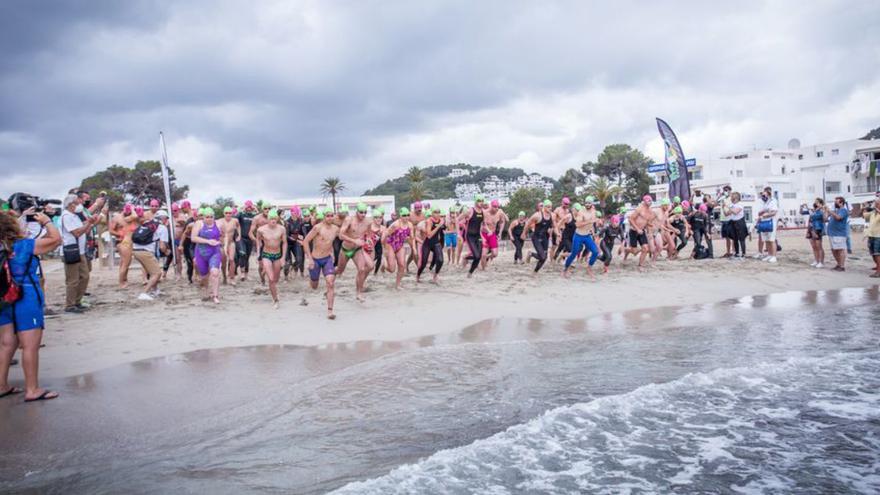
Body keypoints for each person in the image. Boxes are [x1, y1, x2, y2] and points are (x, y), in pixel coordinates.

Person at [0, 211, 61, 401]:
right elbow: (56, 239)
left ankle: (1, 385)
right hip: (25, 297)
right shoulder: (25, 246)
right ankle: (32, 389)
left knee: (6, 344)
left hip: (3, 300)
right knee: (30, 346)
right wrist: (47, 221)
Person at [60, 194, 100, 313]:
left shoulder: (74, 216)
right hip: (71, 250)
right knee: (73, 279)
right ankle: (70, 304)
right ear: (71, 204)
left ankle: (77, 301)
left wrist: (91, 223)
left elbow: (84, 231)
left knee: (84, 276)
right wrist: (88, 223)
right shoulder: (66, 216)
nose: (80, 205)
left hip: (80, 251)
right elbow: (77, 233)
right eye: (77, 203)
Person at [303, 208, 340, 319]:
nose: (330, 217)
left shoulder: (336, 229)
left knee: (330, 283)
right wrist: (310, 259)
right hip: (316, 260)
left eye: (331, 215)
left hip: (327, 259)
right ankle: (312, 278)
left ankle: (330, 311)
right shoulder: (317, 228)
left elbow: (343, 237)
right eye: (327, 215)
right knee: (314, 286)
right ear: (324, 216)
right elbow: (305, 241)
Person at [336, 202, 374, 302]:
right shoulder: (349, 220)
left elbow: (369, 233)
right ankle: (330, 278)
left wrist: (368, 239)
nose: (363, 214)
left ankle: (359, 292)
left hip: (357, 249)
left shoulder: (368, 222)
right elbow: (340, 235)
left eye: (365, 212)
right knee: (339, 271)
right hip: (346, 249)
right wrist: (354, 240)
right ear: (356, 212)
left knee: (362, 269)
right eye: (361, 212)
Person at [131, 207, 168, 300]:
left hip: (135, 250)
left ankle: (155, 290)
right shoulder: (162, 228)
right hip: (145, 252)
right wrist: (167, 252)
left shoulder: (146, 223)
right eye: (166, 218)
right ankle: (144, 293)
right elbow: (162, 247)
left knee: (152, 272)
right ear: (163, 219)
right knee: (157, 273)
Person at [256, 209, 287, 308]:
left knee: (276, 279)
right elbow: (258, 241)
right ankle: (275, 300)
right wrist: (258, 253)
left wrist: (283, 257)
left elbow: (285, 243)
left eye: (275, 219)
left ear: (277, 219)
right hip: (266, 255)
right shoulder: (261, 229)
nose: (273, 221)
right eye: (271, 219)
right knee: (271, 278)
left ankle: (273, 289)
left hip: (277, 255)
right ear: (268, 220)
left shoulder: (282, 229)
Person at [191, 208, 222, 303]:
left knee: (215, 272)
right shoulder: (199, 224)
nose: (209, 219)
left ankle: (215, 296)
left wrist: (222, 242)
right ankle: (205, 289)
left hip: (214, 252)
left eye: (211, 217)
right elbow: (193, 238)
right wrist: (208, 241)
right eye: (207, 217)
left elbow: (225, 235)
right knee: (204, 276)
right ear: (203, 217)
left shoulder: (219, 224)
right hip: (201, 252)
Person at [563, 202, 599, 279]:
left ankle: (589, 268)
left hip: (587, 236)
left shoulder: (593, 212)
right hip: (578, 236)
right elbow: (577, 225)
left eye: (589, 203)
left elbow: (592, 224)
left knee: (595, 252)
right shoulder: (581, 212)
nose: (588, 205)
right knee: (573, 254)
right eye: (586, 203)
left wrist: (593, 233)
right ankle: (565, 269)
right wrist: (590, 221)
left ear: (592, 204)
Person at [384, 207, 416, 289]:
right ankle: (384, 264)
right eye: (404, 215)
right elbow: (385, 234)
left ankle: (397, 285)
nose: (406, 217)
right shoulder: (395, 225)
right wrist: (384, 247)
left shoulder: (410, 225)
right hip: (390, 245)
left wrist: (414, 249)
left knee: (402, 265)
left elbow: (412, 238)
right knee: (391, 269)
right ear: (400, 216)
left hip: (400, 246)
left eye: (408, 215)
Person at [109, 203, 138, 288]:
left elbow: (135, 216)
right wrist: (120, 234)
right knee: (125, 263)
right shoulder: (117, 218)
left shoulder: (131, 218)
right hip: (123, 242)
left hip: (129, 242)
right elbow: (110, 230)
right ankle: (121, 282)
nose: (128, 213)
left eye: (130, 212)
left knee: (125, 262)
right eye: (127, 211)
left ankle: (124, 279)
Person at [523, 199, 555, 274]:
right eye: (547, 207)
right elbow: (528, 224)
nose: (549, 208)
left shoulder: (552, 216)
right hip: (536, 237)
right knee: (543, 256)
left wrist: (557, 233)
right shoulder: (537, 215)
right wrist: (524, 233)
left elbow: (554, 226)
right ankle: (535, 271)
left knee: (544, 257)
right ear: (544, 207)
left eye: (550, 207)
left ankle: (535, 271)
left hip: (545, 238)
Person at [458, 196, 487, 277]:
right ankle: (467, 263)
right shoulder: (470, 211)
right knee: (477, 256)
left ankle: (470, 272)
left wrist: (489, 231)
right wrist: (458, 234)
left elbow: (484, 224)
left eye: (482, 200)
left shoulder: (483, 212)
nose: (481, 202)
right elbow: (457, 220)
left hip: (478, 236)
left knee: (479, 256)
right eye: (479, 200)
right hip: (470, 236)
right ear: (475, 201)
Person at [417, 207, 445, 283]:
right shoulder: (429, 221)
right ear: (432, 213)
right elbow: (429, 235)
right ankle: (418, 276)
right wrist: (439, 225)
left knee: (441, 260)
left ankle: (435, 276)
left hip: (436, 243)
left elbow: (442, 233)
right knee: (424, 263)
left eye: (439, 212)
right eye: (435, 212)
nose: (437, 214)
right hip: (427, 244)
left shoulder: (441, 220)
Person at [626, 195, 654, 270]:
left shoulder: (650, 212)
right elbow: (631, 219)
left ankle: (640, 265)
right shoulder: (639, 209)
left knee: (645, 248)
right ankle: (626, 250)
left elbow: (648, 223)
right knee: (634, 252)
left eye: (651, 201)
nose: (650, 202)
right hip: (633, 231)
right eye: (648, 200)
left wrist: (650, 232)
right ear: (644, 201)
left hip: (642, 232)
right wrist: (637, 228)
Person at [217, 206, 241, 286]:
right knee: (223, 263)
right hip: (222, 244)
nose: (228, 214)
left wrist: (239, 235)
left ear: (232, 213)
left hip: (231, 243)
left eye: (230, 213)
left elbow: (238, 226)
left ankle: (232, 277)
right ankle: (224, 277)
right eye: (226, 213)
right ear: (223, 213)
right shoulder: (219, 221)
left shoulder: (235, 221)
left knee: (231, 259)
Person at [481, 200, 508, 269]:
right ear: (491, 206)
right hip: (484, 233)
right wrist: (488, 230)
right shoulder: (485, 212)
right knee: (484, 253)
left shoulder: (499, 212)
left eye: (497, 207)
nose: (496, 208)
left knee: (495, 254)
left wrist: (500, 233)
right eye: (495, 207)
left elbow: (503, 222)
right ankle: (483, 269)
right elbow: (483, 224)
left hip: (492, 234)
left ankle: (485, 258)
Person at [249, 204, 271, 284]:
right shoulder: (257, 218)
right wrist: (257, 241)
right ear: (262, 209)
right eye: (265, 208)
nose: (267, 210)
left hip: (271, 243)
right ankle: (262, 280)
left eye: (269, 208)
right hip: (261, 243)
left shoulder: (273, 217)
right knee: (261, 265)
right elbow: (250, 233)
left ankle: (271, 279)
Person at [755, 187, 778, 263]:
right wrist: (763, 212)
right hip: (764, 222)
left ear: (768, 194)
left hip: (771, 222)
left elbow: (774, 212)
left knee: (772, 240)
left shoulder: (773, 201)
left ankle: (774, 256)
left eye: (764, 195)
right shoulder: (764, 202)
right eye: (762, 195)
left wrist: (765, 215)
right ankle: (769, 254)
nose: (763, 196)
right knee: (766, 240)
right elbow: (760, 212)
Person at [826, 196, 849, 272]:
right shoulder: (837, 210)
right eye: (835, 201)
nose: (835, 203)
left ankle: (842, 266)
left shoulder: (843, 210)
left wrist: (831, 212)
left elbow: (838, 218)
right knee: (834, 250)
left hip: (839, 233)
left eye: (836, 202)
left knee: (840, 250)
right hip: (832, 233)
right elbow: (825, 219)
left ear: (841, 203)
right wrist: (827, 212)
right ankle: (838, 264)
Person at [237, 200, 257, 281]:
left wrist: (256, 209)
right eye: (247, 207)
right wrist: (241, 209)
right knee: (242, 254)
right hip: (242, 238)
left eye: (250, 207)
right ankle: (242, 273)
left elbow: (260, 217)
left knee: (247, 257)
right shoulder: (241, 214)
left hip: (250, 239)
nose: (249, 208)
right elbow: (234, 218)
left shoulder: (254, 216)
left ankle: (246, 274)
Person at [723, 192, 747, 259]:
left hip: (740, 222)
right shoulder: (731, 205)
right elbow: (727, 214)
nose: (731, 198)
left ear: (736, 198)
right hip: (733, 222)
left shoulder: (740, 205)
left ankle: (743, 253)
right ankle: (737, 253)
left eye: (732, 197)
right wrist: (723, 208)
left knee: (741, 239)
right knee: (735, 238)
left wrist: (728, 207)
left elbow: (736, 212)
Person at [284, 206, 305, 281]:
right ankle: (286, 277)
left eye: (297, 213)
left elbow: (304, 234)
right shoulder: (287, 222)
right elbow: (286, 235)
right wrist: (296, 238)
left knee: (299, 259)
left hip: (296, 243)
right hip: (287, 243)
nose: (295, 214)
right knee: (288, 261)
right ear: (291, 213)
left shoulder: (301, 221)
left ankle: (293, 268)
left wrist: (302, 239)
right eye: (294, 212)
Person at [806, 198, 827, 268]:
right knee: (813, 246)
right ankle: (816, 260)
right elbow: (810, 220)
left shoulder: (822, 210)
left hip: (818, 228)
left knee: (819, 246)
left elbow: (825, 219)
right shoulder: (813, 210)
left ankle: (821, 261)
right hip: (811, 228)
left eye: (817, 202)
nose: (815, 203)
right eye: (815, 202)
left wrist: (823, 210)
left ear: (821, 204)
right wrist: (808, 230)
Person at [863, 195, 880, 278]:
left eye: (877, 204)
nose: (876, 205)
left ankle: (878, 271)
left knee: (877, 253)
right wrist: (864, 207)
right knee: (873, 253)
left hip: (878, 236)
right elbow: (863, 215)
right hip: (871, 235)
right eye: (875, 204)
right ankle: (878, 266)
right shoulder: (873, 213)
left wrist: (877, 209)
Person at [716, 186, 734, 258]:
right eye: (724, 190)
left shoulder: (732, 198)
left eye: (726, 190)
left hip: (730, 219)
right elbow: (716, 202)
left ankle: (734, 251)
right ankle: (728, 252)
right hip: (723, 219)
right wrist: (720, 195)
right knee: (726, 237)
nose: (725, 191)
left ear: (730, 190)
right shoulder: (723, 198)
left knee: (732, 237)